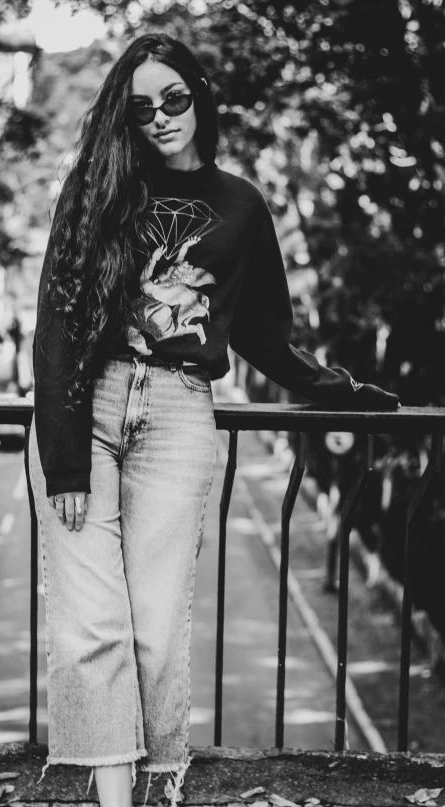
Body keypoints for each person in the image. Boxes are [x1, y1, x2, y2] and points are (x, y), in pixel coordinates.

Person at [28, 32, 399, 807]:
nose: (160, 118)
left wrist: (338, 388)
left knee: (157, 627)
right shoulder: (99, 186)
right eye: (140, 109)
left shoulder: (241, 205)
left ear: (199, 96)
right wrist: (64, 458)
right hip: (87, 406)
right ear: (122, 120)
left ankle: (162, 777)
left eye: (174, 99)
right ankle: (117, 799)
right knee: (93, 625)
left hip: (178, 413)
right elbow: (58, 317)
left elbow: (266, 334)